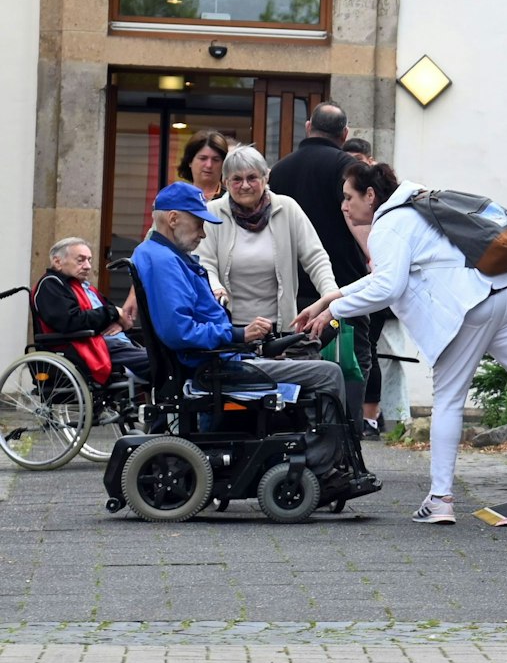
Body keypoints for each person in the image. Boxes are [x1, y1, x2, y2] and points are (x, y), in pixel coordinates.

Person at [294, 162, 507, 525]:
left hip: (468, 307)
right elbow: (384, 280)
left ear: (370, 195)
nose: (344, 207)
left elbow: (387, 287)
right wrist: (326, 302)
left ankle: (440, 500)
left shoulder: (387, 225)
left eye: (348, 198)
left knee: (448, 401)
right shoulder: (418, 206)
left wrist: (334, 314)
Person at [132, 182, 376, 497]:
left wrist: (241, 334)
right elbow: (178, 332)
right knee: (327, 373)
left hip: (219, 359)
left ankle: (321, 461)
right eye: (199, 224)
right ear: (174, 219)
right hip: (212, 367)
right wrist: (237, 334)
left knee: (304, 362)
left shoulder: (162, 256)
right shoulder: (164, 261)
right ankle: (322, 467)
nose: (204, 234)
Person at [268, 103, 379, 433]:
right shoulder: (347, 166)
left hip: (292, 287)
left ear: (307, 127)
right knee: (351, 361)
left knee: (295, 363)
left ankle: (296, 432)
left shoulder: (279, 170)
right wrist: (374, 257)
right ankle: (345, 436)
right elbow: (354, 217)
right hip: (343, 285)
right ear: (344, 134)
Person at [195, 146, 337, 335]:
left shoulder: (287, 208)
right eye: (237, 179)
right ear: (225, 182)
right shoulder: (213, 212)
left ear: (266, 177)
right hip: (229, 327)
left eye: (252, 178)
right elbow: (204, 263)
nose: (245, 185)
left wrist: (330, 294)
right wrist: (215, 287)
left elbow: (315, 258)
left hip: (280, 326)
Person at [34, 237, 149, 388]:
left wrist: (119, 322)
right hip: (92, 347)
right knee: (161, 362)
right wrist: (114, 312)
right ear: (57, 262)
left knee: (168, 355)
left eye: (89, 260)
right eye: (81, 260)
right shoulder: (51, 285)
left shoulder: (86, 287)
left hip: (116, 342)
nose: (88, 266)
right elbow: (72, 320)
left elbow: (121, 317)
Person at [177, 131, 232, 202]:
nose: (209, 165)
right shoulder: (177, 199)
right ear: (190, 161)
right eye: (203, 158)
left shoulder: (231, 200)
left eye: (215, 160)